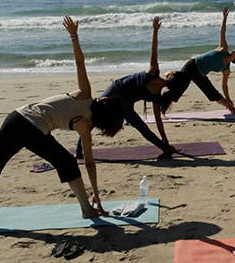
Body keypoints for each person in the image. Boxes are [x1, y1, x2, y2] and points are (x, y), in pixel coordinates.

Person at [0, 17, 123, 227]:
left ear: (103, 103)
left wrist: (74, 36)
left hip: (15, 117)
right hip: (33, 127)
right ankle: (86, 209)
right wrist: (96, 193)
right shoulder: (85, 125)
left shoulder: (84, 94)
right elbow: (89, 163)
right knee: (66, 162)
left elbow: (79, 63)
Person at [75, 16, 176, 160]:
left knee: (92, 117)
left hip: (115, 91)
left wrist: (155, 30)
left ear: (170, 76)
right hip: (125, 104)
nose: (171, 70)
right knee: (142, 128)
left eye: (172, 72)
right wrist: (165, 140)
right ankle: (165, 148)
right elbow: (158, 121)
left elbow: (154, 49)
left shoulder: (153, 72)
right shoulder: (157, 96)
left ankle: (78, 151)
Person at [159, 6, 235, 115]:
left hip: (200, 74)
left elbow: (224, 85)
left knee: (212, 92)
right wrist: (224, 17)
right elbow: (222, 32)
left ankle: (231, 108)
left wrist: (228, 98)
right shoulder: (223, 49)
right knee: (179, 87)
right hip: (192, 65)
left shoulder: (226, 69)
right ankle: (162, 85)